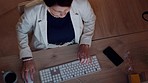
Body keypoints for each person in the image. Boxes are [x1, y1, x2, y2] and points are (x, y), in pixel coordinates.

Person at [16, 0, 96, 82]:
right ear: (47, 5)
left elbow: (90, 20)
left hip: (72, 46)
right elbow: (21, 31)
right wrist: (27, 58)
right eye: (58, 11)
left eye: (67, 9)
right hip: (43, 50)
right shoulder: (33, 11)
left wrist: (85, 43)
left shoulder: (81, 3)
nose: (63, 14)